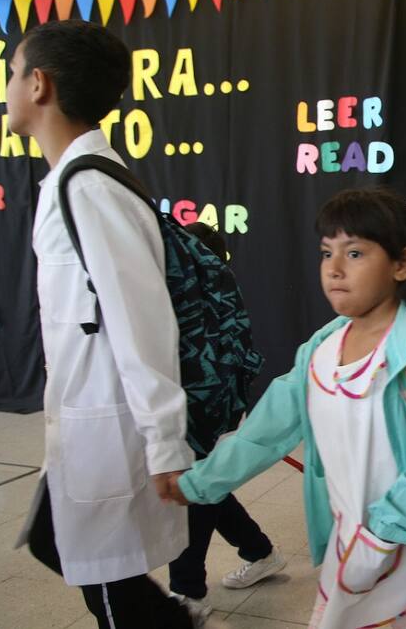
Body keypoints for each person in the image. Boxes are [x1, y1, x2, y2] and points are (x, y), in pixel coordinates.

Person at [169, 190, 406, 628]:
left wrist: (377, 543)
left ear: (402, 264)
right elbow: (264, 432)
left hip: (405, 556)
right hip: (347, 547)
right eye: (326, 252)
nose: (334, 269)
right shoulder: (320, 351)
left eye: (355, 253)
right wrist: (197, 483)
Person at [9, 21, 195, 628]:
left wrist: (165, 440)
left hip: (112, 427)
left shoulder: (89, 188)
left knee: (110, 592)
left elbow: (142, 322)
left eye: (12, 74)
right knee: (58, 543)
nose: (6, 88)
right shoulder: (71, 180)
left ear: (39, 84)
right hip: (87, 421)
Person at [167, 223, 284, 624]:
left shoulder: (206, 285)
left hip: (210, 401)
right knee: (206, 486)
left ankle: (187, 592)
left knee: (198, 491)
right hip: (211, 399)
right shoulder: (210, 281)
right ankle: (260, 552)